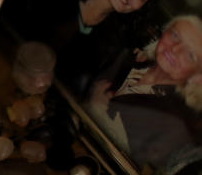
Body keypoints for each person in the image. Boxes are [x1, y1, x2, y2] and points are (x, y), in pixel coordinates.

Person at [86, 15, 202, 171]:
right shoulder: (127, 58)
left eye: (190, 55)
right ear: (164, 31)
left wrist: (97, 111)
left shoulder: (177, 124)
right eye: (175, 35)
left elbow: (133, 167)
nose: (175, 49)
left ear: (197, 77)